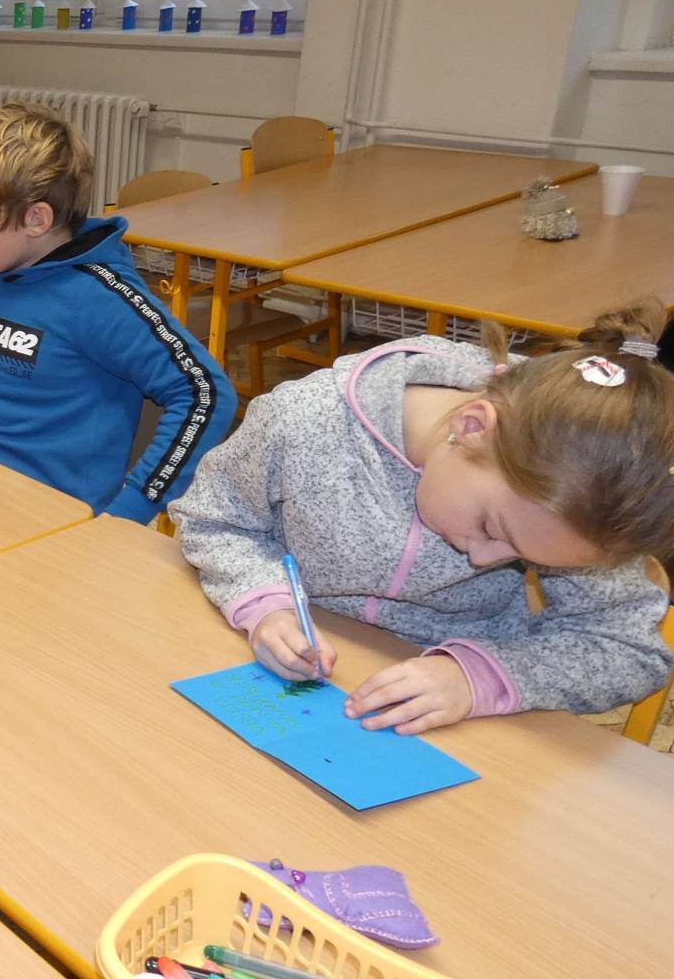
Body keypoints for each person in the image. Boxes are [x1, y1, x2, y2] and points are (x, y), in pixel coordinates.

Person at [170, 305, 674, 735]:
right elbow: (217, 519)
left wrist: (480, 677)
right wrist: (264, 605)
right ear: (470, 427)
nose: (485, 559)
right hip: (276, 663)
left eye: (522, 558)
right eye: (492, 529)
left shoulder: (578, 499)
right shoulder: (305, 422)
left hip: (450, 718)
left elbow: (625, 650)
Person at [0, 104, 236, 523]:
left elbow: (206, 393)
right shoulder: (2, 268)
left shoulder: (100, 297)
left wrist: (128, 513)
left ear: (36, 219)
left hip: (43, 518)